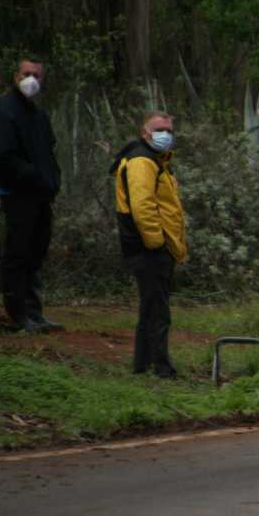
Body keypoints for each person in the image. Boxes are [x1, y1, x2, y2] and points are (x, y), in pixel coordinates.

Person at [0, 57, 62, 332]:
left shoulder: (38, 115)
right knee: (17, 252)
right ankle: (18, 314)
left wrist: (52, 180)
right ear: (16, 76)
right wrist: (33, 176)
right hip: (17, 193)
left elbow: (48, 152)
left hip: (41, 194)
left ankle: (34, 311)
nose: (31, 80)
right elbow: (3, 158)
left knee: (36, 250)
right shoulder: (3, 112)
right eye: (27, 73)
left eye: (37, 75)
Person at [109, 111, 188, 378]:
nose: (166, 135)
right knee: (158, 311)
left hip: (152, 246)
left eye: (170, 130)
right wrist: (156, 243)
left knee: (150, 306)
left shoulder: (155, 160)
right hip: (149, 248)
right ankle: (161, 367)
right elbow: (143, 207)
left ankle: (142, 364)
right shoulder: (142, 161)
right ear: (145, 133)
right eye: (160, 130)